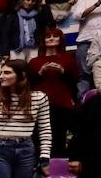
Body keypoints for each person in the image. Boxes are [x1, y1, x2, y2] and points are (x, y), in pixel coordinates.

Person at [28, 26, 79, 155]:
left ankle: (58, 165)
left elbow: (75, 80)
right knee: (40, 138)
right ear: (43, 40)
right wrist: (41, 72)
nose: (51, 39)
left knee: (60, 138)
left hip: (62, 103)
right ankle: (41, 164)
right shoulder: (34, 61)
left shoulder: (68, 58)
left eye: (55, 36)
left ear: (60, 39)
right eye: (48, 36)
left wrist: (62, 71)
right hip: (40, 104)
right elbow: (29, 83)